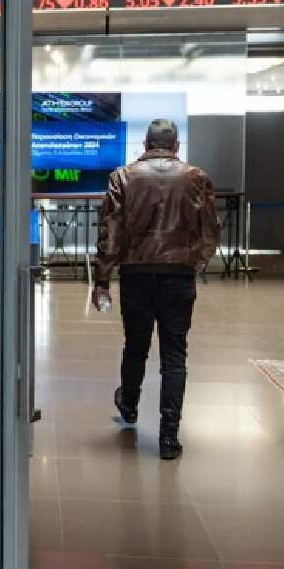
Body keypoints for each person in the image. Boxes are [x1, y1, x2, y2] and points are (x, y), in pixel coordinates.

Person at [92, 119, 219, 460]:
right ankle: (168, 437)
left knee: (136, 345)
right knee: (175, 354)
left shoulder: (123, 177)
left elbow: (110, 231)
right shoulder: (196, 177)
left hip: (136, 273)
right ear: (176, 146)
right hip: (179, 274)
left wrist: (102, 278)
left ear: (146, 144)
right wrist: (195, 262)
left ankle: (129, 405)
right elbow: (210, 230)